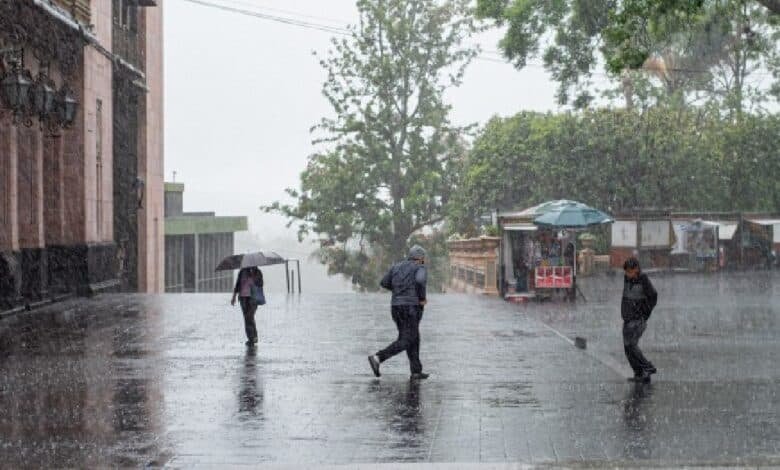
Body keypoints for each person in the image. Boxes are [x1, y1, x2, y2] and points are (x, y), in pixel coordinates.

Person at [368, 245, 429, 380]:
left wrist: (398, 290)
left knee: (412, 337)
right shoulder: (420, 267)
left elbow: (384, 282)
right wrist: (422, 298)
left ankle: (416, 371)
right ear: (420, 258)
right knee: (408, 339)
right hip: (411, 307)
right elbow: (420, 281)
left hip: (396, 307)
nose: (424, 260)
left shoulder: (396, 266)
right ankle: (378, 358)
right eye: (423, 258)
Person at [621, 257, 658, 383]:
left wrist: (644, 313)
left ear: (636, 269)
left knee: (631, 345)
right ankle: (639, 373)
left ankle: (647, 367)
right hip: (627, 318)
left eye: (630, 271)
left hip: (638, 320)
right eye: (626, 272)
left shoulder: (643, 279)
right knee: (627, 348)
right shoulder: (627, 278)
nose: (627, 274)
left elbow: (653, 296)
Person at [231, 267, 263, 346]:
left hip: (253, 298)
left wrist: (253, 277)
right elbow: (238, 284)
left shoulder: (257, 272)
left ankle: (253, 337)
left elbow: (261, 284)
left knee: (249, 316)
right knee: (247, 318)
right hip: (243, 297)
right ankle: (252, 338)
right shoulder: (242, 271)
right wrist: (234, 296)